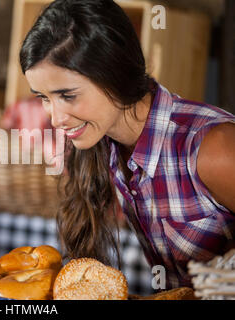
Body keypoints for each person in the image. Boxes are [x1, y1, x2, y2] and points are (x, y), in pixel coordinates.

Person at [19, 0, 235, 289]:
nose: (56, 119)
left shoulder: (212, 147)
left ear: (114, 74)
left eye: (67, 96)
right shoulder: (106, 143)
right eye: (43, 98)